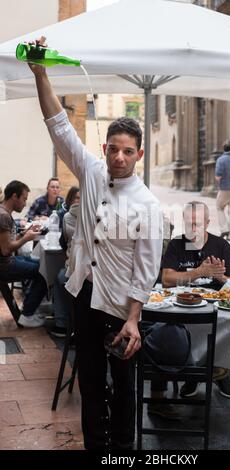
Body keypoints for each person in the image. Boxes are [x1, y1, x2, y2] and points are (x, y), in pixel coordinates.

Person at [29, 39, 162, 451]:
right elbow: (58, 123)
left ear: (138, 154)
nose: (119, 157)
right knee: (89, 384)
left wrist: (134, 319)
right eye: (113, 149)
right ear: (104, 149)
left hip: (123, 307)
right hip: (84, 297)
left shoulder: (148, 204)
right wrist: (40, 73)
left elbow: (146, 269)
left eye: (127, 151)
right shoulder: (89, 172)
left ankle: (120, 454)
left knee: (123, 389)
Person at [148, 201, 230, 415]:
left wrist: (220, 277)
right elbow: (167, 279)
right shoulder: (176, 245)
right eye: (189, 223)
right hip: (180, 310)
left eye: (197, 223)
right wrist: (198, 272)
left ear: (207, 222)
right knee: (162, 329)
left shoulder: (221, 246)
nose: (193, 229)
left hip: (213, 310)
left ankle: (218, 368)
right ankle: (164, 393)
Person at [0, 180, 47, 328]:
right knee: (44, 272)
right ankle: (27, 314)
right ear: (14, 196)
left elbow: (8, 243)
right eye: (24, 199)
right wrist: (26, 238)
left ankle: (28, 308)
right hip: (4, 266)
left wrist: (25, 234)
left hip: (7, 261)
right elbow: (6, 249)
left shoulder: (5, 213)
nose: (25, 203)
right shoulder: (3, 216)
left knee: (38, 263)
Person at [51, 186, 80, 338]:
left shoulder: (68, 216)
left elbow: (63, 243)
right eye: (77, 198)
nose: (79, 201)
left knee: (60, 277)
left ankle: (61, 323)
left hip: (74, 270)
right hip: (93, 271)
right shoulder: (96, 214)